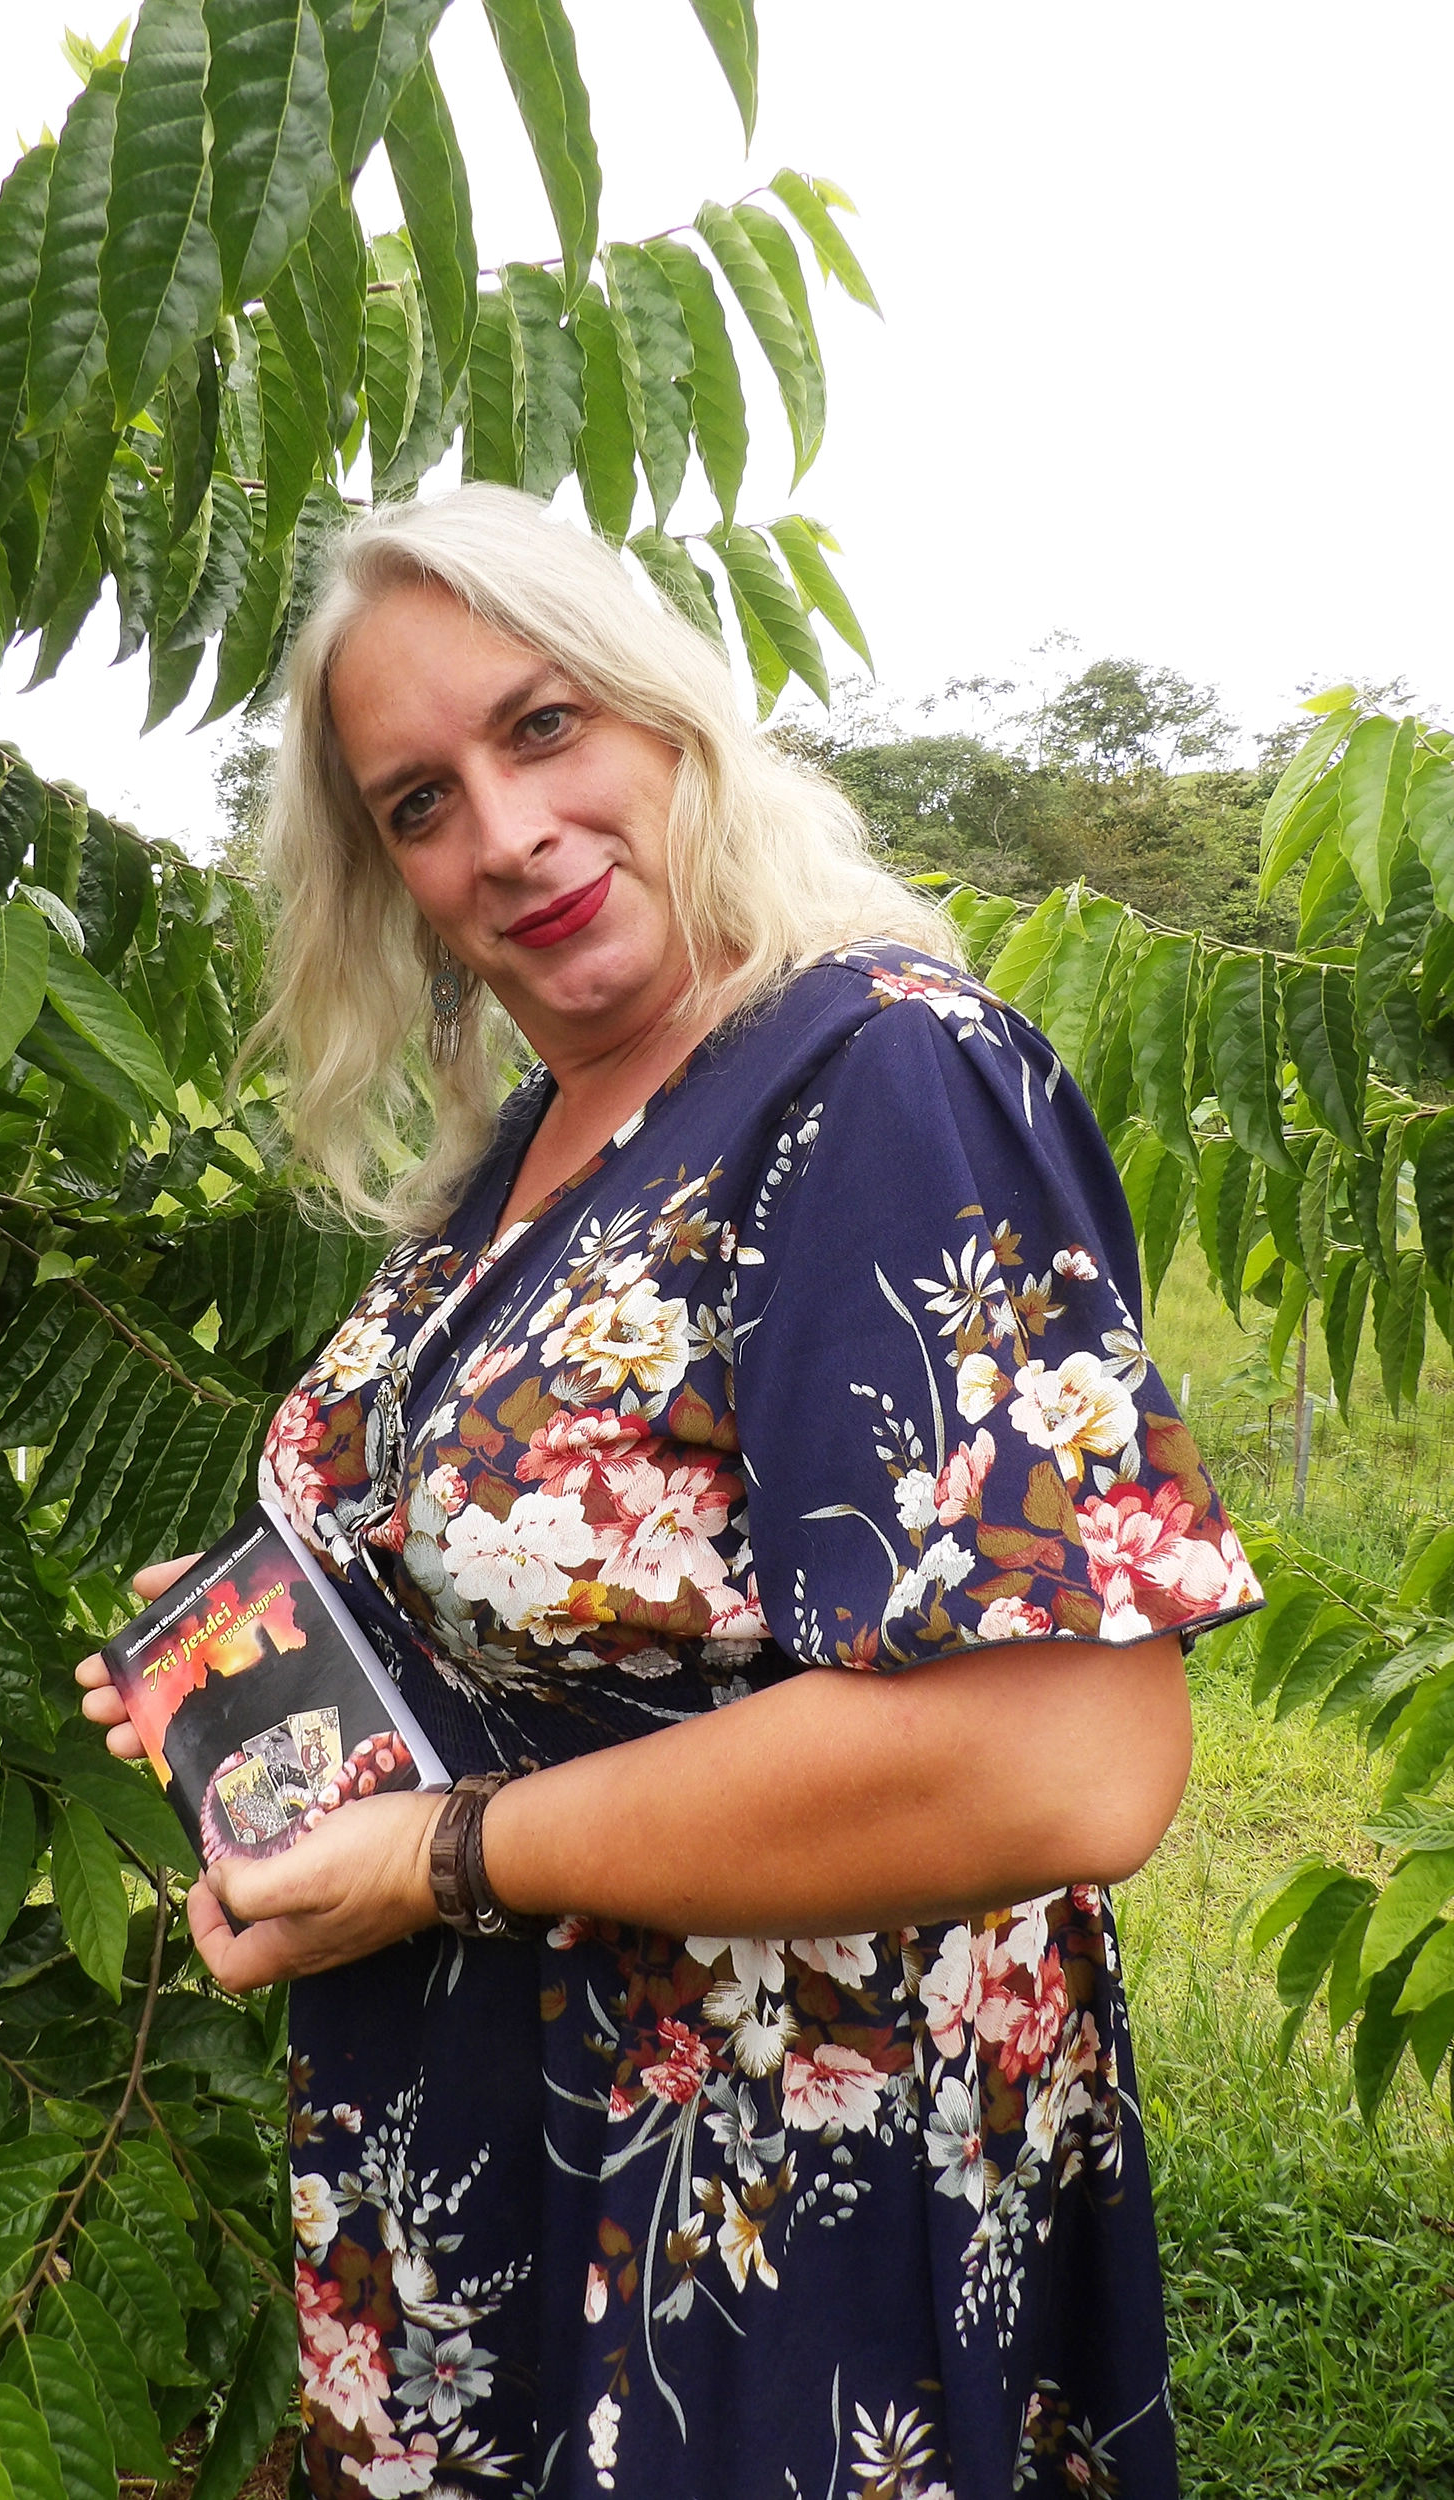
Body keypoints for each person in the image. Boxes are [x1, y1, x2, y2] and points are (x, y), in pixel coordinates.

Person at [77, 485, 1260, 2500]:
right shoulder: (518, 1146)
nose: (503, 833)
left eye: (541, 728)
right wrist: (295, 1623)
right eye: (417, 800)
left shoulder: (875, 1076)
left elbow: (1060, 1759)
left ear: (665, 714)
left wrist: (448, 1850)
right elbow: (587, 1575)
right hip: (508, 2172)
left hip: (767, 2222)